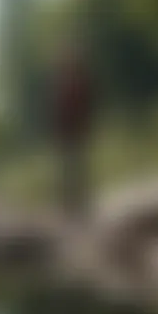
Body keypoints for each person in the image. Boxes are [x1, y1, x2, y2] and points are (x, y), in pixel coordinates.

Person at [52, 40, 95, 221]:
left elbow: (87, 103)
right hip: (67, 132)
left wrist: (86, 125)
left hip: (76, 130)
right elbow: (57, 108)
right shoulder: (63, 81)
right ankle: (71, 205)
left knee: (77, 166)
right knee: (70, 168)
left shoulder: (78, 80)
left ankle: (78, 204)